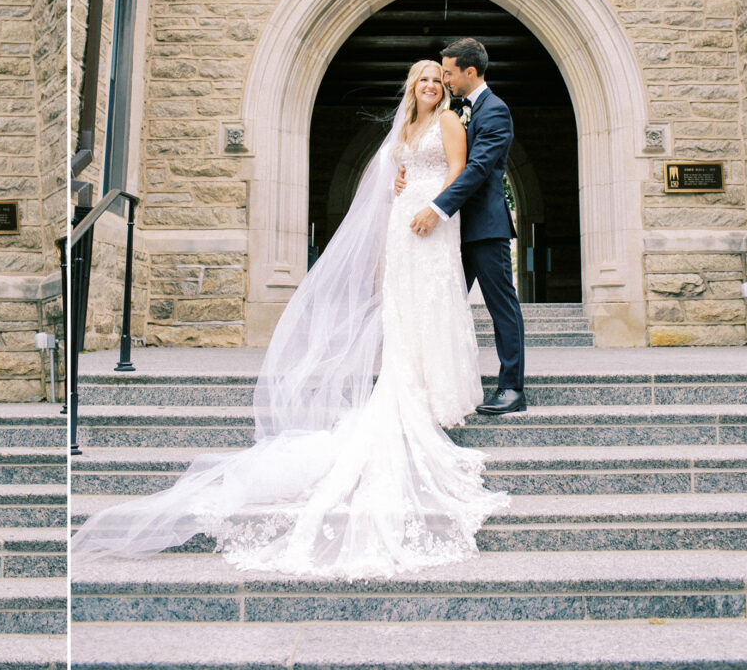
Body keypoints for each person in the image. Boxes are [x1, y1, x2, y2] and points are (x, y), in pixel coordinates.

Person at [70, 60, 508, 577]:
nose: (433, 87)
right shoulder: (408, 125)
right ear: (414, 88)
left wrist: (433, 209)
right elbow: (399, 168)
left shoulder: (451, 121)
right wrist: (401, 193)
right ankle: (408, 381)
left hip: (432, 221)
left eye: (439, 80)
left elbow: (458, 170)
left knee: (432, 302)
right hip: (401, 220)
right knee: (403, 307)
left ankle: (440, 387)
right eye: (425, 81)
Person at [407, 37, 527, 415]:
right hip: (454, 231)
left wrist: (435, 208)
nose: (445, 80)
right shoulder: (461, 109)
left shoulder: (495, 110)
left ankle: (511, 389)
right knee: (443, 304)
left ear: (469, 72)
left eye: (449, 73)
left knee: (501, 307)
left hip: (485, 228)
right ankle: (442, 383)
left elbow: (477, 169)